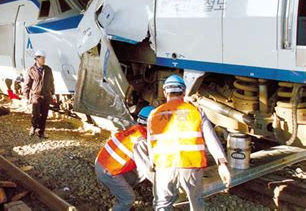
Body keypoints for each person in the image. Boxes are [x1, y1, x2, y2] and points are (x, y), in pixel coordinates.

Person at [147, 75, 231, 211]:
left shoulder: (153, 114)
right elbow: (211, 138)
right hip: (190, 166)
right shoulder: (196, 111)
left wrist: (154, 165)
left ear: (165, 93)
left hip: (164, 166)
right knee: (196, 203)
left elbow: (151, 143)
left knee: (162, 205)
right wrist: (221, 163)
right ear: (184, 92)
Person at [95, 106, 155, 211]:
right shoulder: (141, 140)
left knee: (135, 178)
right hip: (108, 172)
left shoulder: (135, 130)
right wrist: (162, 184)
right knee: (128, 198)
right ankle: (122, 204)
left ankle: (123, 200)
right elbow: (146, 168)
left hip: (102, 164)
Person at [23, 50, 55, 139]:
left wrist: (53, 93)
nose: (44, 60)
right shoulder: (31, 70)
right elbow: (27, 83)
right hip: (36, 95)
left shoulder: (48, 69)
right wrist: (26, 96)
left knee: (44, 115)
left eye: (44, 58)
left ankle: (41, 131)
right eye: (42, 58)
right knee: (36, 114)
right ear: (37, 58)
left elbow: (52, 82)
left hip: (46, 95)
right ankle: (33, 127)